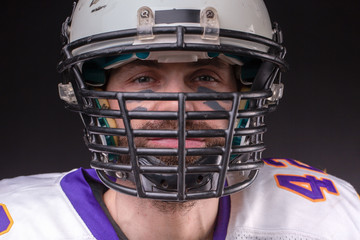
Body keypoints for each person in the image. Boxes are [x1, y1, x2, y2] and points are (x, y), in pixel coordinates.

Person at [1, 0, 359, 239]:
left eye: (205, 77)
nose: (178, 106)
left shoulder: (329, 219)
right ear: (93, 95)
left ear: (250, 92)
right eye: (143, 78)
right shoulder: (19, 225)